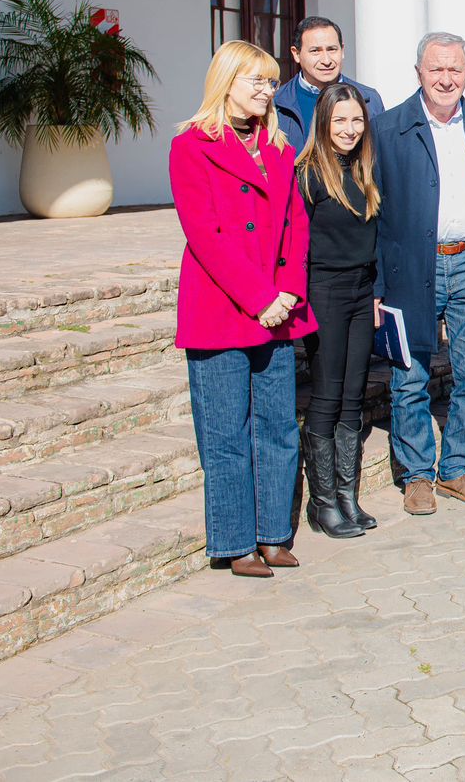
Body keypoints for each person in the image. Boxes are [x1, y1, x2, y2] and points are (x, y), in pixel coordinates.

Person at [169, 40, 315, 577]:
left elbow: (295, 226)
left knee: (278, 426)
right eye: (255, 80)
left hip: (279, 310)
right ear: (226, 81)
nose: (265, 90)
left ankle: (274, 533)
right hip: (222, 310)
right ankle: (235, 542)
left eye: (270, 81)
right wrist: (259, 298)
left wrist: (287, 294)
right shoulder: (192, 145)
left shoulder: (278, 146)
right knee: (226, 432)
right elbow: (204, 234)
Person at [373, 32, 465, 515]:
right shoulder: (387, 128)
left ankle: (456, 468)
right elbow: (371, 211)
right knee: (410, 374)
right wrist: (376, 284)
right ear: (418, 72)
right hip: (411, 266)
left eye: (455, 69)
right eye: (436, 69)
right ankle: (417, 476)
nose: (445, 79)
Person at [295, 83, 381, 538]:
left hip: (361, 291)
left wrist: (377, 292)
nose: (349, 130)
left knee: (354, 394)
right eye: (339, 121)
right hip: (323, 291)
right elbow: (295, 246)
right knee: (326, 396)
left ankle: (348, 497)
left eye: (355, 120)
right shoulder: (307, 173)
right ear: (324, 124)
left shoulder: (366, 169)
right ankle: (322, 503)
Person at [274, 16, 385, 153]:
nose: (326, 60)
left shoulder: (368, 99)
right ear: (296, 54)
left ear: (342, 50)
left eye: (332, 49)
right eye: (315, 51)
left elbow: (380, 155)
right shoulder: (277, 104)